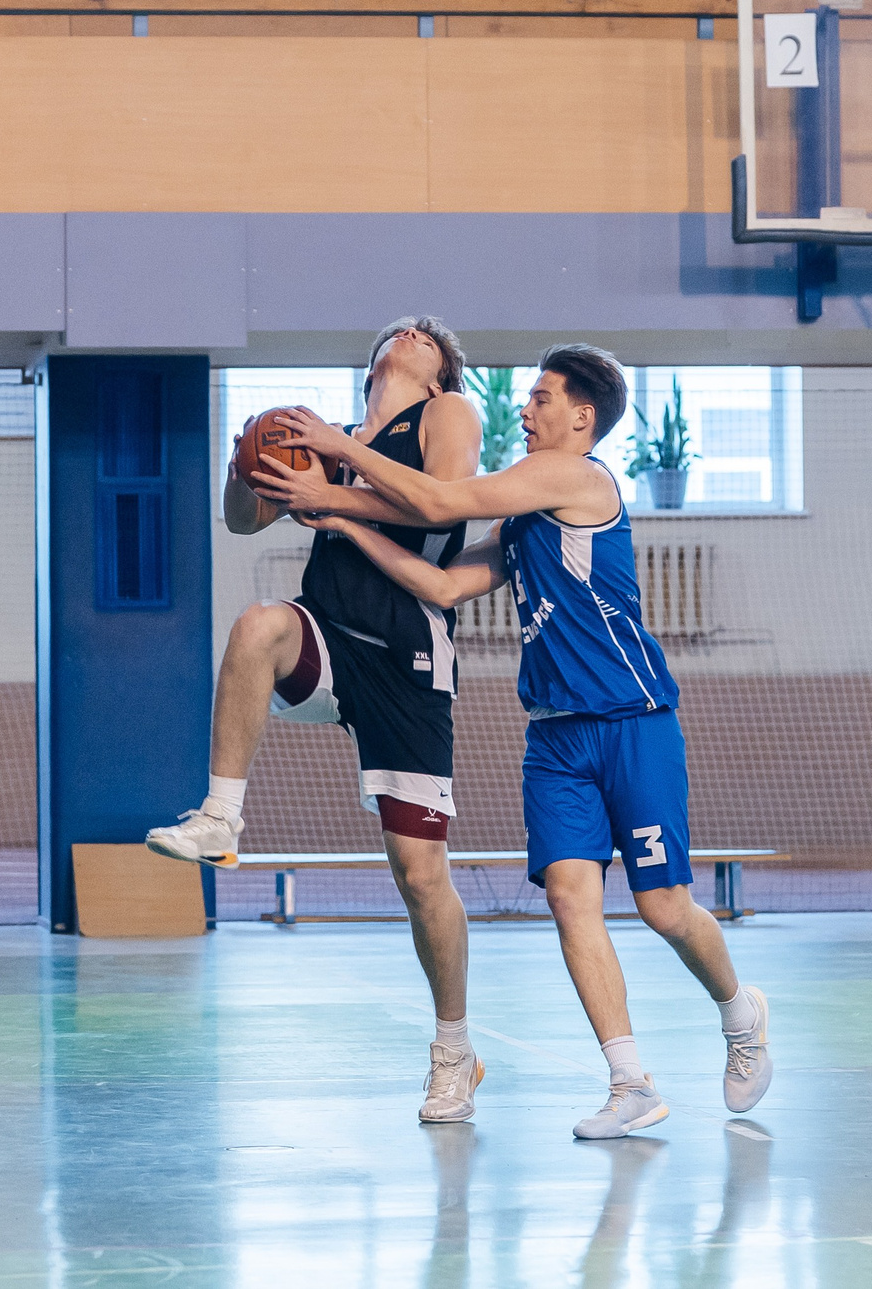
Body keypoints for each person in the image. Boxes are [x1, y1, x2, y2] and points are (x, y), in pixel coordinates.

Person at [249, 344, 771, 1140]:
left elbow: (442, 501)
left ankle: (741, 1014)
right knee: (570, 900)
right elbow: (445, 584)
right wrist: (343, 523)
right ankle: (629, 1081)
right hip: (556, 740)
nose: (523, 411)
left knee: (665, 909)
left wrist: (339, 455)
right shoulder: (525, 518)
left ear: (582, 417)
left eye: (539, 398)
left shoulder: (578, 477)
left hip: (633, 723)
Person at [144, 317, 488, 1124]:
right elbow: (241, 521)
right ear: (370, 362)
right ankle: (221, 818)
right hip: (330, 634)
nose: (409, 331)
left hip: (406, 651)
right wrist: (248, 467)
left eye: (425, 336)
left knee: (419, 876)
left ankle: (454, 1051)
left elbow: (437, 510)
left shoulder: (447, 416)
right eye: (398, 329)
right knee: (258, 623)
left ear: (438, 374)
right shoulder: (323, 439)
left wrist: (330, 484)